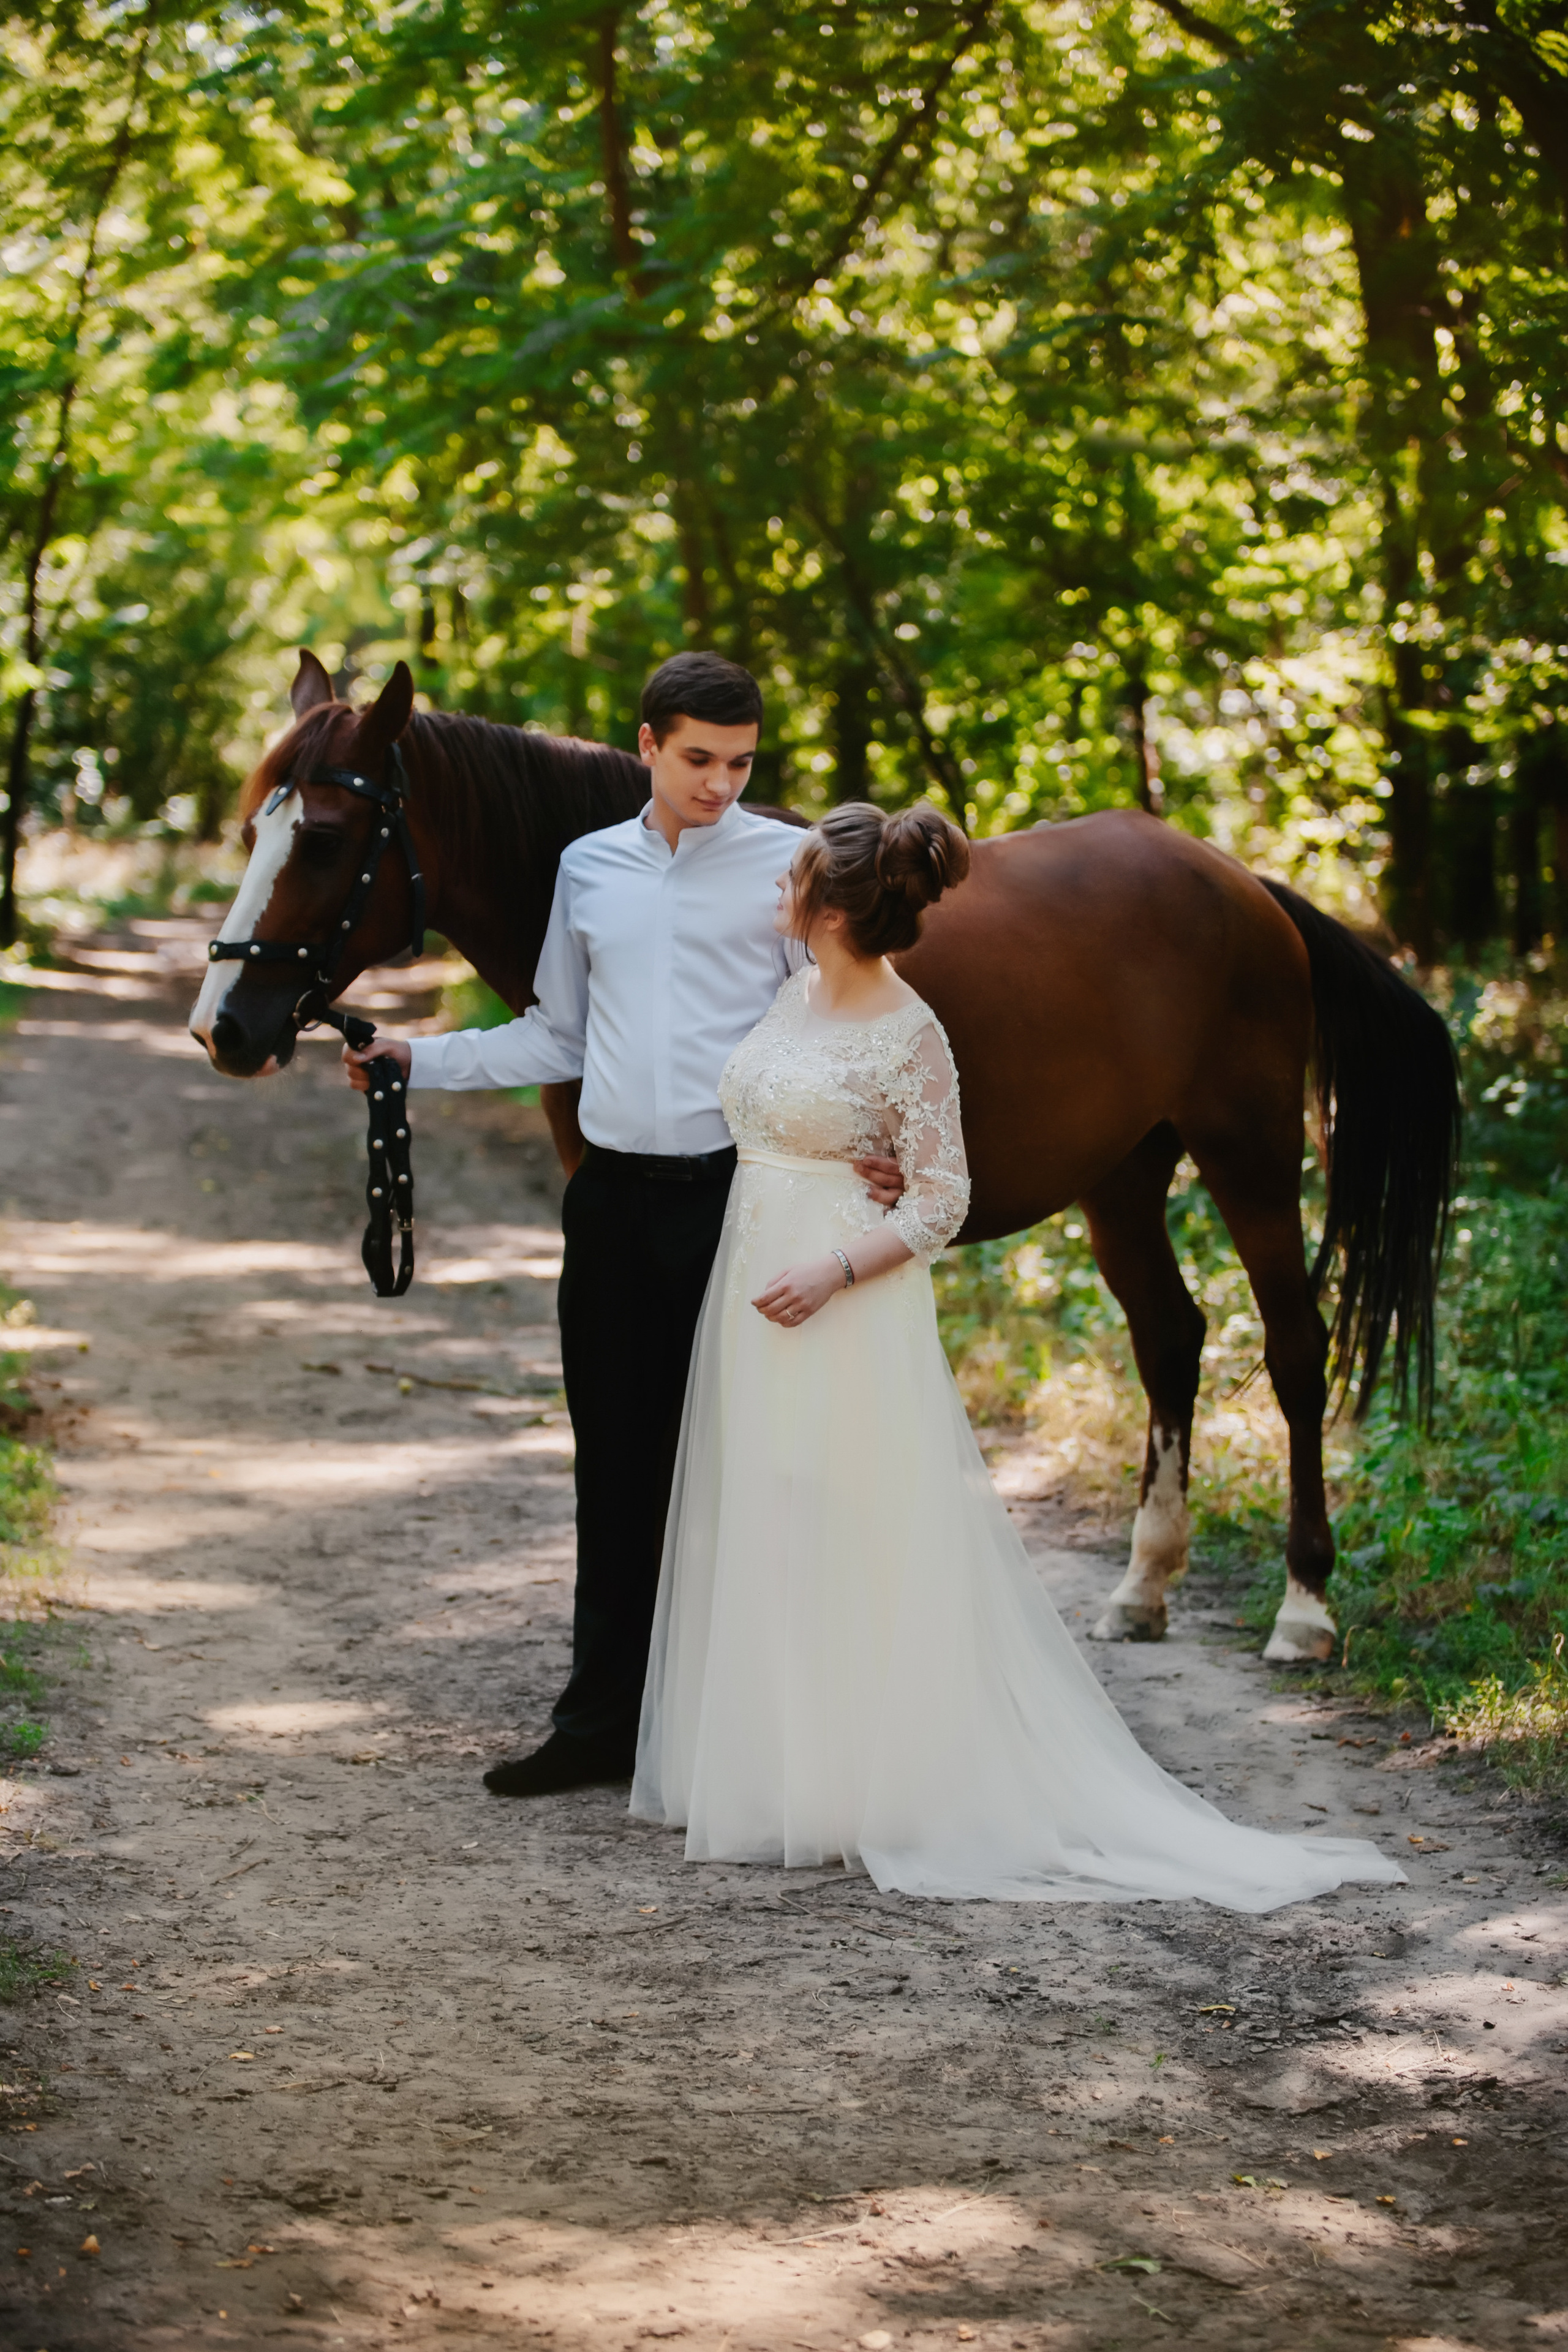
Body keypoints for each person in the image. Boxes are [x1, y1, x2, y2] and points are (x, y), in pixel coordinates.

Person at [631, 802, 1406, 1910]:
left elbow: (943, 1190)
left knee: (857, 1516)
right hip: (761, 1288)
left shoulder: (909, 1025)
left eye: (791, 879)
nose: (774, 893)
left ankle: (890, 1777)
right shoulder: (791, 995)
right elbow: (798, 1115)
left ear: (834, 906)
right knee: (771, 1512)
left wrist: (843, 1256)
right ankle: (785, 1773)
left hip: (832, 1290)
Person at [344, 652, 902, 1796]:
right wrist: (419, 1058)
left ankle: (746, 1733)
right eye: (698, 758)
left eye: (741, 763)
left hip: (738, 1206)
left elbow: (839, 1025)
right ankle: (599, 1726)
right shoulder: (585, 868)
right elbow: (555, 1035)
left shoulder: (784, 869)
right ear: (647, 744)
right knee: (615, 1462)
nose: (720, 784)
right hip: (607, 1202)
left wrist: (871, 1141)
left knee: (749, 1468)